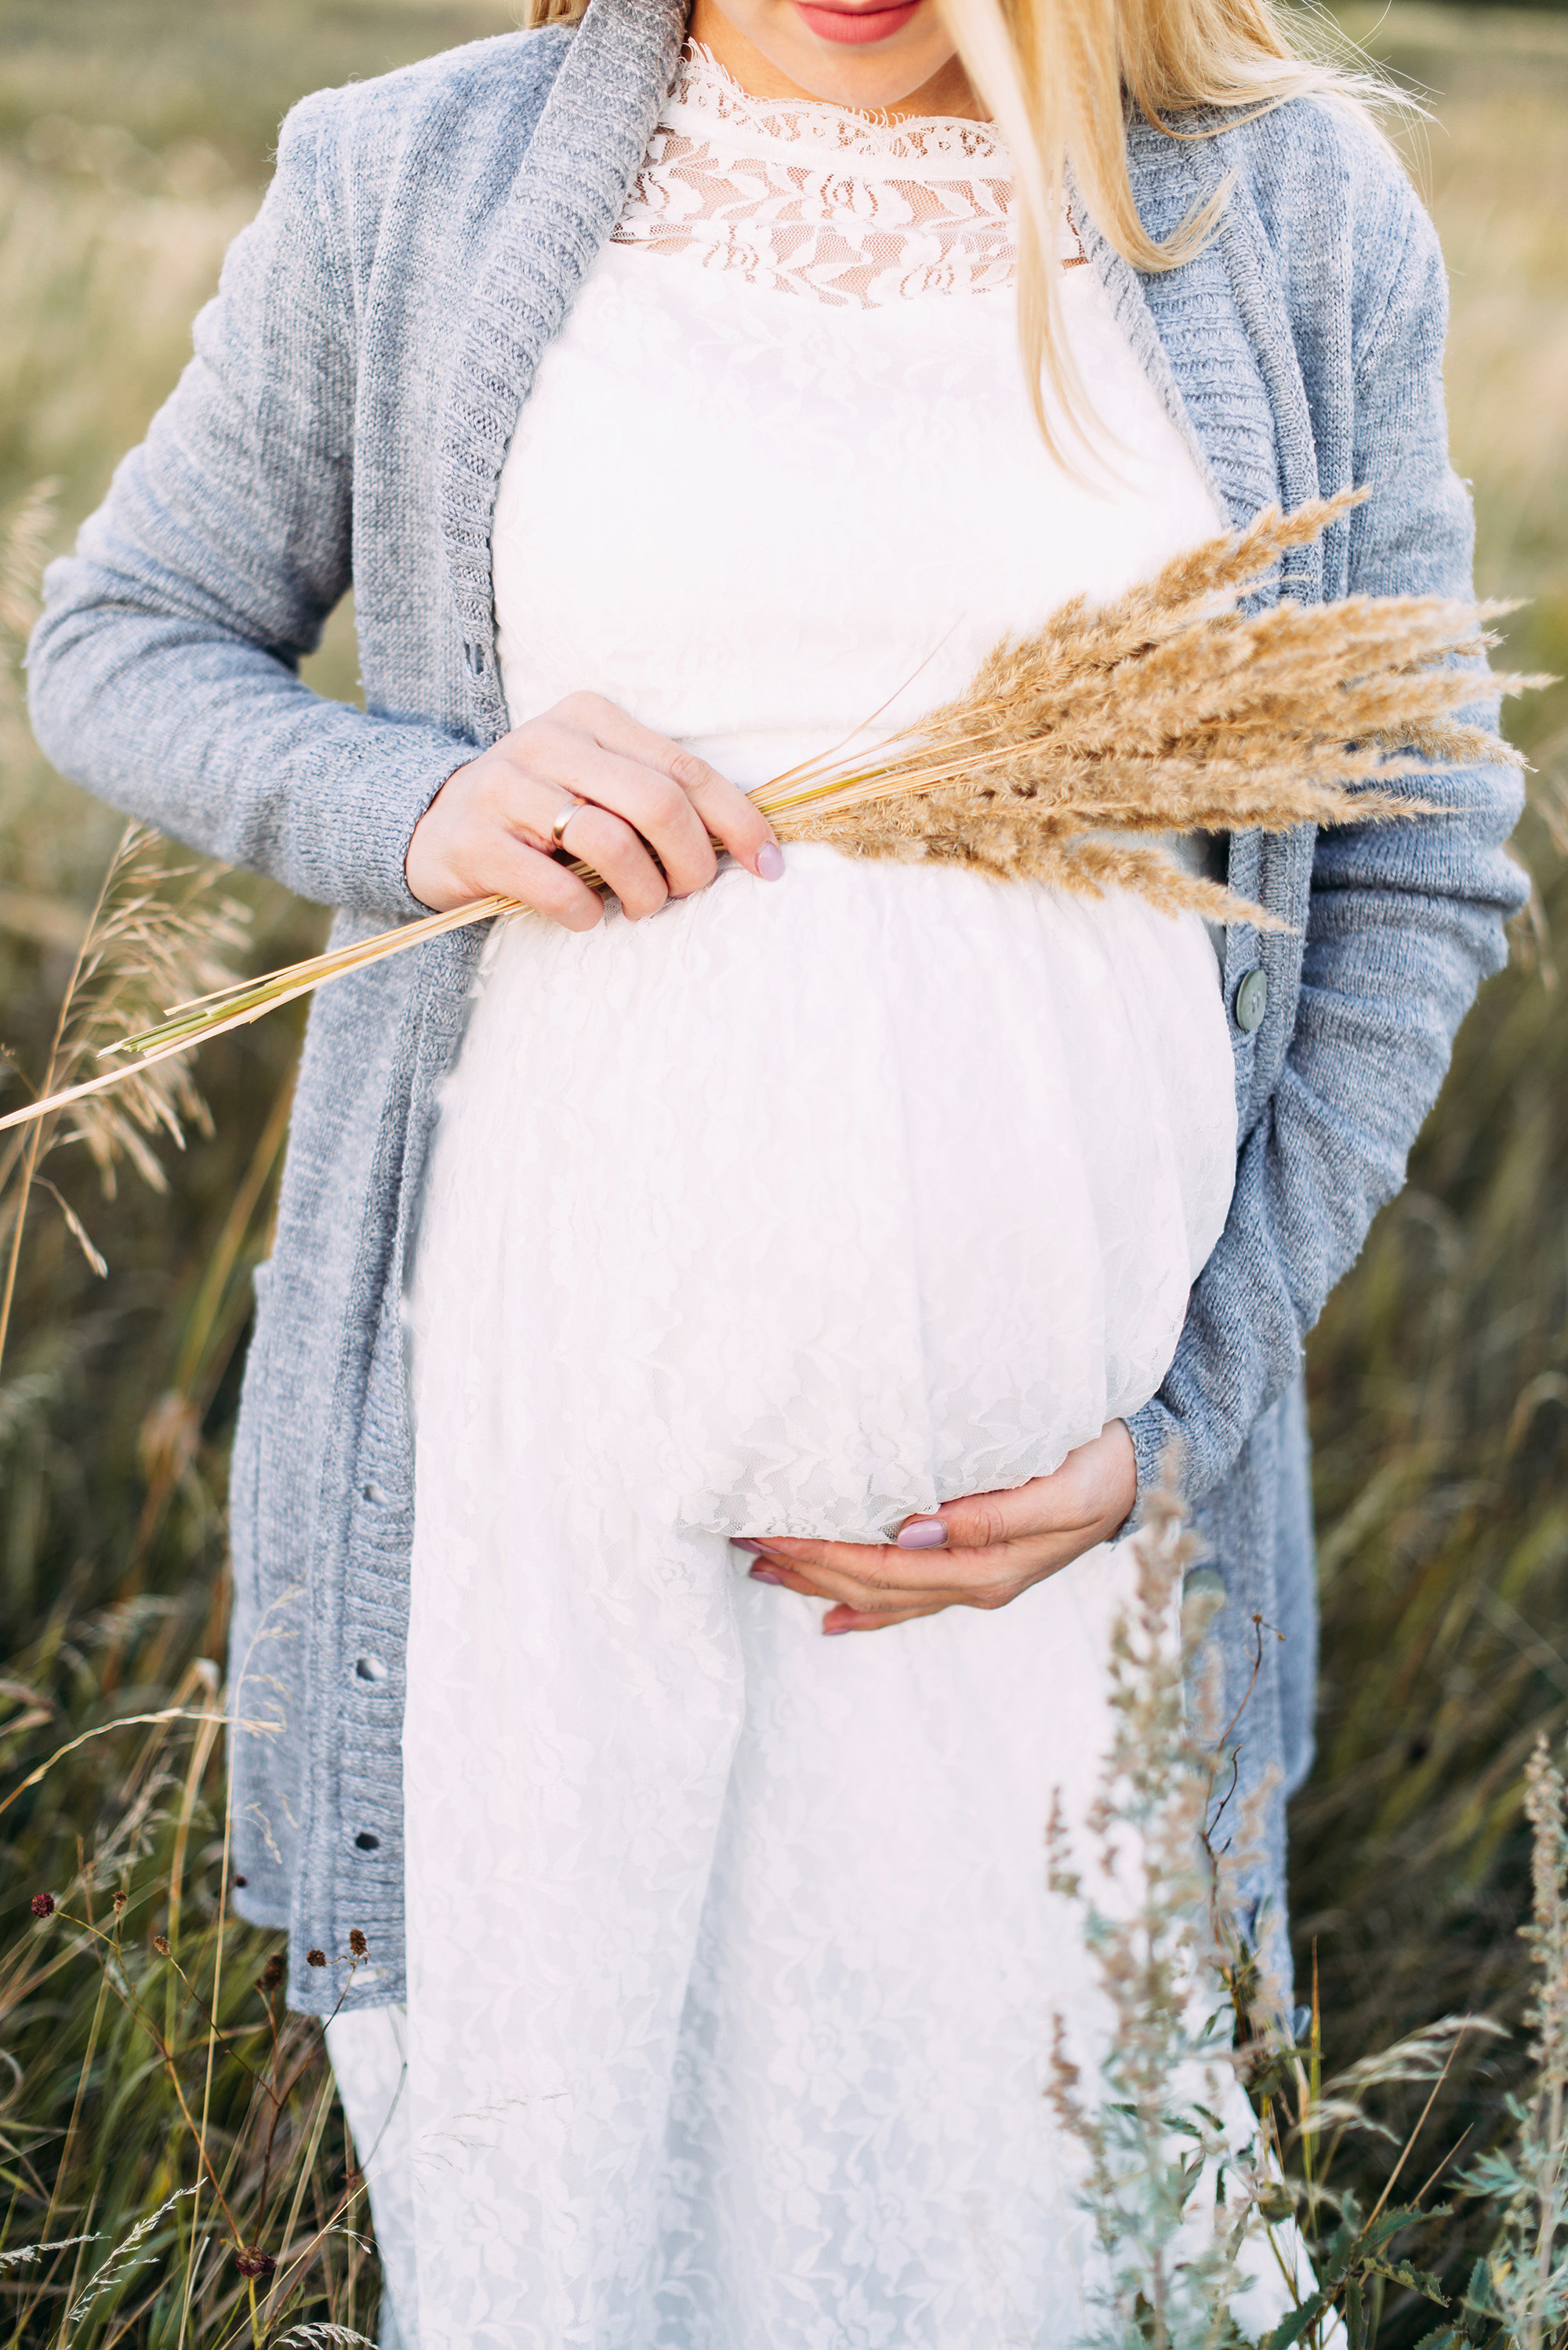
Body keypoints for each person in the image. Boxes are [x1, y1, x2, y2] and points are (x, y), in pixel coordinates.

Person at [27, 0, 1525, 2334]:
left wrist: (1176, 1426)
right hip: (545, 1525)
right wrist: (414, 800)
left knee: (1070, 2235)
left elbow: (1423, 860)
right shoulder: (411, 178)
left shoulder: (1276, 206)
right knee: (580, 2230)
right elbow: (123, 641)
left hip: (1041, 1580)